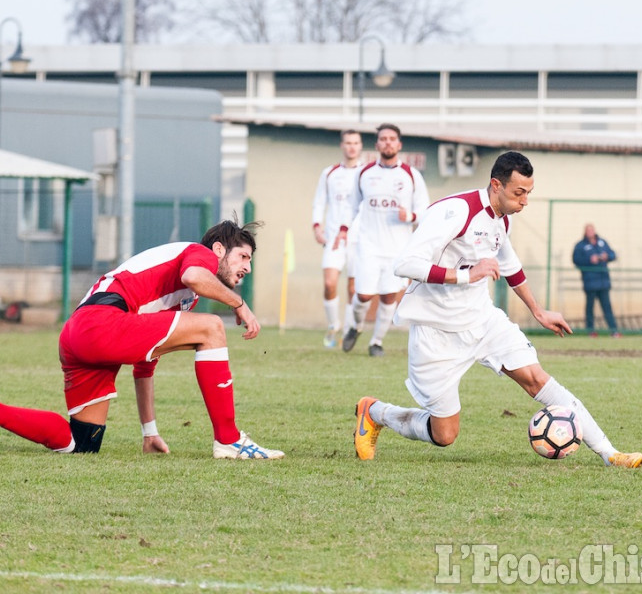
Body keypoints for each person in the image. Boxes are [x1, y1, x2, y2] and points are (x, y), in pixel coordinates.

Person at [353, 151, 642, 468]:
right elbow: (405, 264)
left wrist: (539, 311)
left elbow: (511, 268)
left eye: (528, 193)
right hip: (435, 333)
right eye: (519, 193)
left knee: (537, 379)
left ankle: (610, 453)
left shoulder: (501, 219)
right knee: (445, 434)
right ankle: (375, 412)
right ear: (496, 185)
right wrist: (467, 274)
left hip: (483, 321)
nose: (525, 201)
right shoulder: (456, 211)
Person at [0, 219, 284, 459]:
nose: (247, 267)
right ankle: (229, 440)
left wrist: (150, 432)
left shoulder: (185, 296)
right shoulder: (201, 255)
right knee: (212, 328)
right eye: (243, 257)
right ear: (219, 249)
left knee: (82, 443)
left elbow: (145, 363)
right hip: (101, 322)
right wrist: (239, 304)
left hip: (77, 333)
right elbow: (194, 275)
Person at [339, 123, 430, 357]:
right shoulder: (365, 173)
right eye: (383, 139)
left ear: (399, 145)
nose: (388, 142)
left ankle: (376, 342)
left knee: (389, 296)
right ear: (377, 144)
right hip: (368, 245)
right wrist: (342, 230)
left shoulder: (411, 175)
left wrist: (409, 216)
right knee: (364, 295)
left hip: (398, 248)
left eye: (392, 139)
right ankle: (356, 326)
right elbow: (351, 207)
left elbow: (425, 211)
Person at [312, 129, 364, 348]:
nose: (351, 146)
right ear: (342, 146)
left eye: (355, 142)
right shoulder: (330, 173)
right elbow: (319, 202)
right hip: (334, 238)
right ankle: (334, 324)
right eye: (348, 142)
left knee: (353, 288)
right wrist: (317, 226)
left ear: (360, 146)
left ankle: (349, 331)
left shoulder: (366, 173)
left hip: (359, 238)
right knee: (329, 282)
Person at [572, 223, 620, 337]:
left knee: (607, 307)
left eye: (591, 230)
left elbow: (613, 254)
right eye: (588, 230)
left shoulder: (602, 242)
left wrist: (607, 256)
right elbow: (576, 260)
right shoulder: (580, 245)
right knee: (590, 308)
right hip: (590, 282)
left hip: (603, 281)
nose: (590, 232)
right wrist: (589, 260)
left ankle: (614, 331)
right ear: (585, 232)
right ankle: (590, 331)